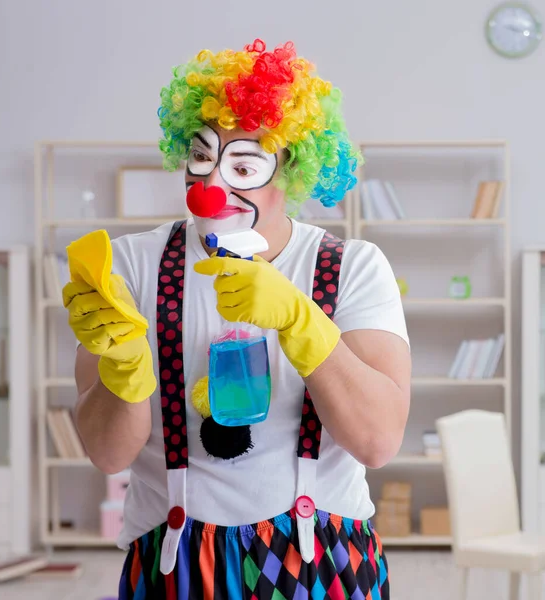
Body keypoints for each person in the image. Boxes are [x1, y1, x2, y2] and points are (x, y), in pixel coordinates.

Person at [63, 38, 411, 600]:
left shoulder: (352, 267)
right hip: (172, 561)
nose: (211, 188)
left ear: (291, 171)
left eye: (244, 165)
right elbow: (107, 454)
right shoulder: (130, 265)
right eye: (201, 157)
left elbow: (377, 441)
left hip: (323, 559)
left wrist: (304, 323)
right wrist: (123, 370)